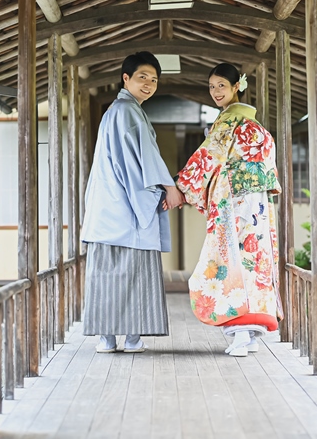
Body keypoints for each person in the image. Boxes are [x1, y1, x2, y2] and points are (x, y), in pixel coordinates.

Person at [81, 52, 186, 354]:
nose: (149, 84)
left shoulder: (116, 111)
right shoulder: (128, 111)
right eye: (143, 77)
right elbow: (144, 158)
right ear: (126, 78)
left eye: (154, 79)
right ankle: (132, 339)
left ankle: (106, 339)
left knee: (106, 276)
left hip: (107, 207)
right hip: (126, 206)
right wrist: (169, 187)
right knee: (136, 275)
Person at [176, 62, 282, 357]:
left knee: (232, 259)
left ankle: (241, 335)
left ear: (237, 86)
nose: (215, 92)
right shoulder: (256, 127)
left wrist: (181, 186)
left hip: (235, 202)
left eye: (221, 85)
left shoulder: (229, 122)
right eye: (211, 87)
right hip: (258, 205)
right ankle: (251, 334)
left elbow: (207, 157)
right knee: (255, 260)